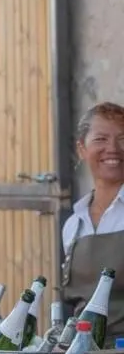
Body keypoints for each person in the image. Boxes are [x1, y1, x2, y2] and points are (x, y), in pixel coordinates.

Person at [61, 102, 124, 339]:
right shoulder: (73, 225)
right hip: (84, 352)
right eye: (100, 139)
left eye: (122, 139)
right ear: (82, 149)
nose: (113, 149)